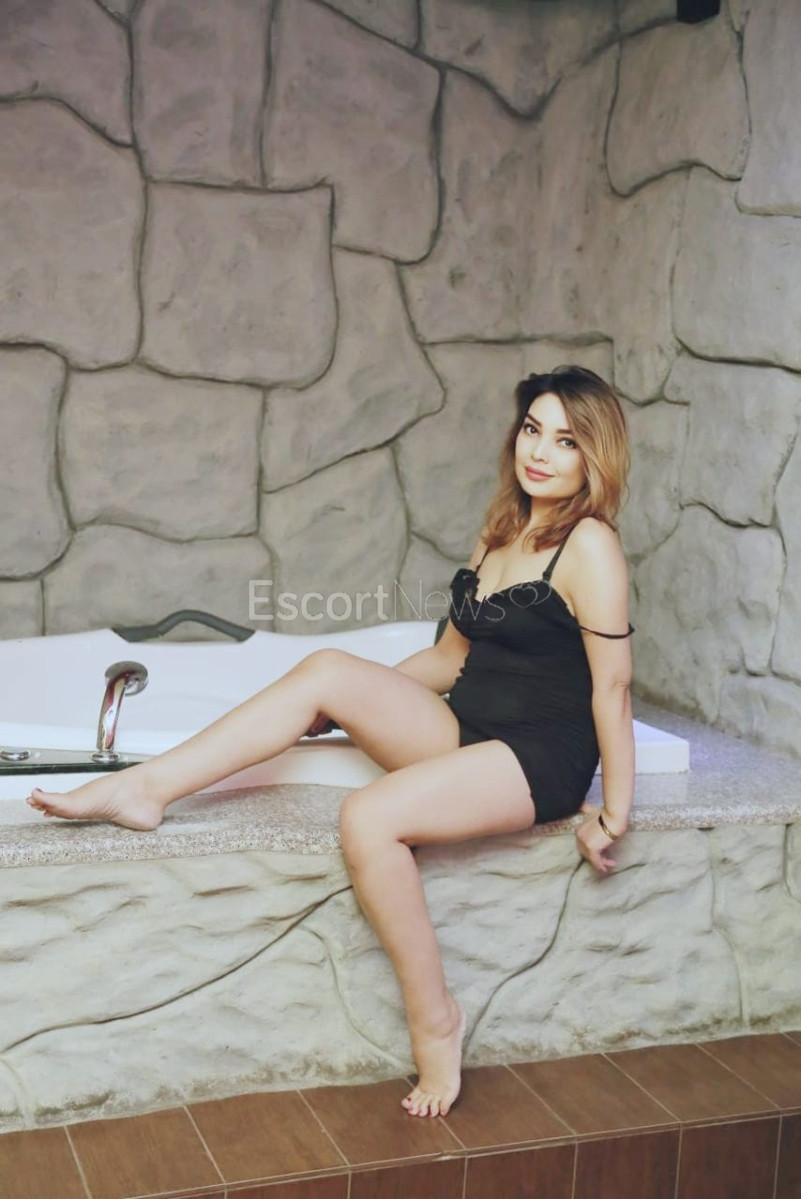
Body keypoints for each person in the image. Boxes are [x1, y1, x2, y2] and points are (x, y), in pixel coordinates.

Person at [26, 364, 635, 1122]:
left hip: (539, 754)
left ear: (594, 456)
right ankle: (144, 788)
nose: (539, 451)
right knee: (325, 670)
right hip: (468, 727)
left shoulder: (590, 545)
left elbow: (612, 686)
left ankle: (436, 1021)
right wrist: (353, 702)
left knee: (369, 817)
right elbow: (449, 660)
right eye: (532, 430)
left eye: (565, 440)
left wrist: (613, 812)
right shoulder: (503, 531)